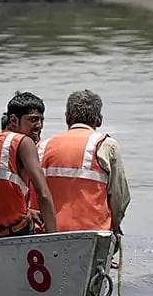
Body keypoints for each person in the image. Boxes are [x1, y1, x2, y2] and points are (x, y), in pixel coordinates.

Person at [38, 90, 130, 235]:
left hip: (46, 234)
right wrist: (116, 226)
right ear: (99, 120)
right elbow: (119, 196)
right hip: (93, 232)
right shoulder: (106, 145)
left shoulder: (42, 147)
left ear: (67, 118)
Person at [0, 91, 58, 238]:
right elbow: (43, 193)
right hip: (14, 233)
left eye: (41, 120)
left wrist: (29, 211)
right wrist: (54, 239)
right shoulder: (24, 142)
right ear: (14, 120)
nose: (39, 125)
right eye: (33, 120)